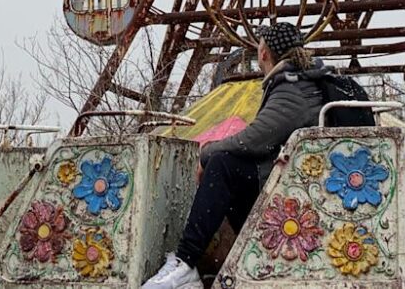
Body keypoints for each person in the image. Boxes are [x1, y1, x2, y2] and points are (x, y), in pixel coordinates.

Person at [142, 22, 332, 289]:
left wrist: (206, 152)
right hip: (302, 185)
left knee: (222, 165)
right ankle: (240, 256)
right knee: (228, 169)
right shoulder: (304, 81)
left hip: (298, 192)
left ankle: (186, 263)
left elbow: (254, 140)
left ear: (263, 53)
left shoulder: (294, 87)